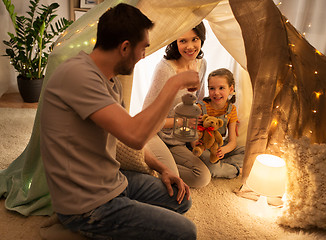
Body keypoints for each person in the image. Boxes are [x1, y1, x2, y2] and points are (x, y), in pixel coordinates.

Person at [40, 3, 199, 240]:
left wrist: (162, 168)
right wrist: (174, 84)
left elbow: (128, 136)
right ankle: (80, 228)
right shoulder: (78, 76)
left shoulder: (110, 80)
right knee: (186, 232)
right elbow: (135, 137)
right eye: (143, 48)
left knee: (181, 200)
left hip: (111, 180)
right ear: (125, 47)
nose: (143, 56)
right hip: (86, 204)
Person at [143, 22, 211, 188]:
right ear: (175, 42)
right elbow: (147, 118)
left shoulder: (201, 64)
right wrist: (181, 122)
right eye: (183, 41)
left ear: (201, 38)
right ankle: (153, 163)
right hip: (154, 134)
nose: (190, 46)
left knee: (202, 177)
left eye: (194, 39)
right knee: (172, 181)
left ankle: (156, 166)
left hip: (178, 139)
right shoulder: (165, 69)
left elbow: (199, 101)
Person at [194, 68, 245, 179]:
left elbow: (232, 142)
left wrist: (224, 150)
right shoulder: (200, 108)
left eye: (221, 88)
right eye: (212, 88)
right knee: (212, 169)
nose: (216, 93)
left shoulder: (231, 110)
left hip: (218, 145)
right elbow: (193, 139)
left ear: (231, 89)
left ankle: (222, 163)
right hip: (203, 148)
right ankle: (236, 170)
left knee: (247, 152)